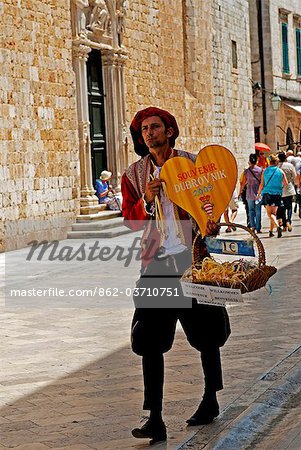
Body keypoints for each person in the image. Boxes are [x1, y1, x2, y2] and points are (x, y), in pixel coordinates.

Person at [121, 107, 231, 444]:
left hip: (193, 257)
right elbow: (130, 219)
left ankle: (211, 397)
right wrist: (145, 200)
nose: (149, 133)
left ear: (170, 130)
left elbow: (211, 203)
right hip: (156, 263)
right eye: (143, 130)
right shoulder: (134, 174)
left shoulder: (193, 165)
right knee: (149, 337)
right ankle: (154, 417)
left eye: (155, 127)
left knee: (207, 330)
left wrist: (210, 222)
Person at [256, 154, 288, 238]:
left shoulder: (265, 171)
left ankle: (278, 227)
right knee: (273, 213)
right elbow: (286, 183)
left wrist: (258, 194)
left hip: (267, 194)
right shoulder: (280, 171)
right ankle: (270, 231)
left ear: (269, 161)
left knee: (270, 214)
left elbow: (262, 184)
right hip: (277, 194)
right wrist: (280, 188)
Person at [239, 153, 263, 233]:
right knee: (258, 211)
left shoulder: (246, 171)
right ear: (257, 160)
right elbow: (262, 182)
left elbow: (243, 183)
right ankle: (258, 227)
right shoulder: (260, 170)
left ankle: (252, 226)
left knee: (251, 211)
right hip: (258, 192)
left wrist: (240, 192)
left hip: (249, 192)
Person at [276, 152, 296, 232]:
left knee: (282, 207)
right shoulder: (290, 166)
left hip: (280, 190)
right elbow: (294, 176)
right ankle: (288, 220)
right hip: (289, 188)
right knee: (289, 206)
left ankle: (284, 224)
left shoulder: (277, 167)